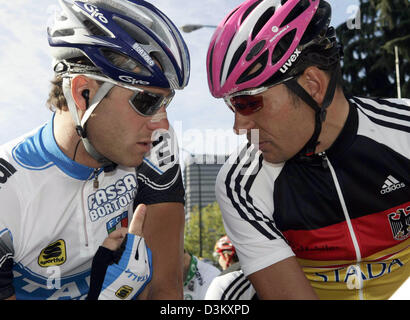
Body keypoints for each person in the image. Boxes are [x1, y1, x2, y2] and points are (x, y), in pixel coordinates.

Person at [207, 0, 409, 300]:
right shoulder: (240, 184)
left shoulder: (403, 129)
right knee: (225, 294)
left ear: (312, 84)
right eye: (231, 106)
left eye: (248, 103)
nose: (238, 127)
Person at [0, 0, 190, 300]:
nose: (162, 124)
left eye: (166, 103)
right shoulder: (6, 193)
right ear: (83, 93)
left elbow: (166, 292)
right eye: (147, 103)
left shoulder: (156, 149)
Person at [205, 235, 257, 300]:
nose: (219, 260)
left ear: (226, 256)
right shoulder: (258, 272)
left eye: (218, 256)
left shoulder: (222, 282)